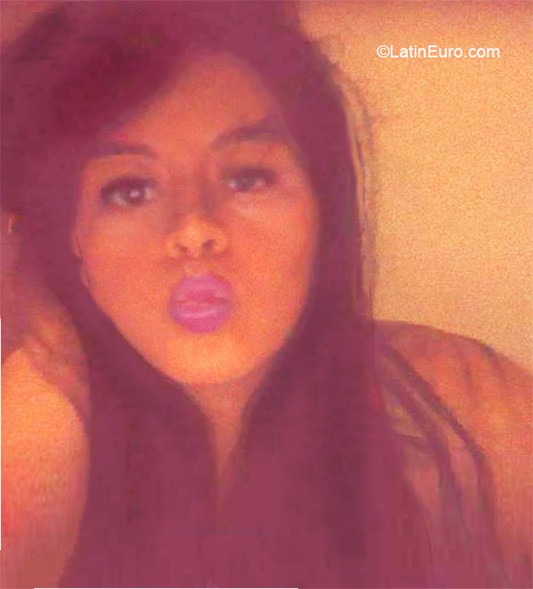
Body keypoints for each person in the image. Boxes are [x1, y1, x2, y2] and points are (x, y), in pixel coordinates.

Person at [1, 2, 531, 588]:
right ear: (72, 241)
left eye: (246, 177)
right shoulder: (32, 431)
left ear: (321, 206)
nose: (194, 229)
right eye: (130, 191)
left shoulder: (470, 415)